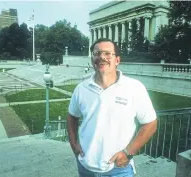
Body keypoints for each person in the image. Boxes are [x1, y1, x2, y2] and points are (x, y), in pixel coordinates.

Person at [67, 38, 157, 177]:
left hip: (118, 169)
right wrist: (74, 144)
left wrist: (128, 153)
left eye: (108, 53)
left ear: (117, 60)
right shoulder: (81, 88)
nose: (101, 57)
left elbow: (151, 124)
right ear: (92, 59)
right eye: (97, 53)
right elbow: (72, 116)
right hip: (86, 166)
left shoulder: (134, 88)